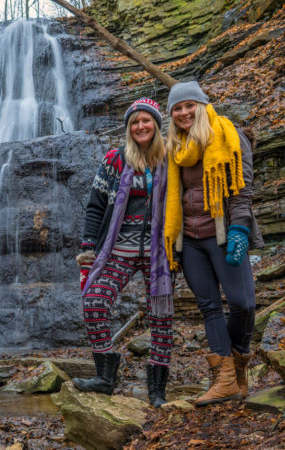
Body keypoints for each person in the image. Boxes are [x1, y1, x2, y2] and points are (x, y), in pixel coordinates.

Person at [163, 81, 263, 407]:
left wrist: (239, 228)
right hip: (188, 241)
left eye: (188, 105)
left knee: (243, 303)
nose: (183, 112)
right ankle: (224, 380)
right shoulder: (173, 149)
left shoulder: (227, 134)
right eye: (177, 108)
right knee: (209, 307)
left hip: (221, 232)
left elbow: (242, 187)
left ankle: (238, 363)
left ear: (202, 105)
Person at [74, 98, 175, 408]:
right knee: (94, 301)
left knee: (161, 317)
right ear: (129, 127)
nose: (140, 126)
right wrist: (89, 247)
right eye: (134, 122)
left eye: (146, 121)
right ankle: (105, 377)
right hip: (118, 250)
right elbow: (96, 204)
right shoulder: (115, 160)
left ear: (157, 125)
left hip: (159, 252)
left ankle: (156, 391)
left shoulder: (171, 158)